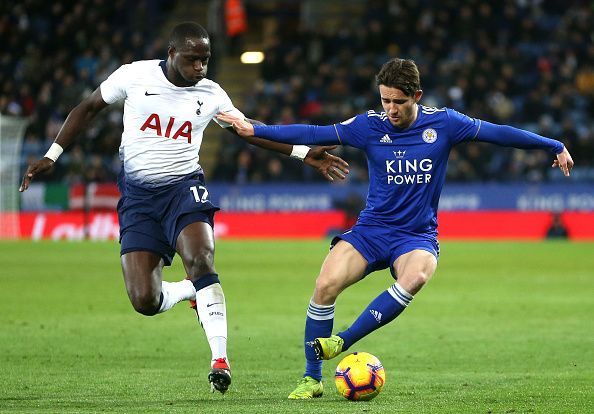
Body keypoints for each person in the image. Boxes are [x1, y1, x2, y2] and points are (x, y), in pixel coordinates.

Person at [19, 22, 349, 394]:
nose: (200, 69)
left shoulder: (211, 94)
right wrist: (52, 155)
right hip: (140, 198)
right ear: (172, 54)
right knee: (145, 300)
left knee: (202, 258)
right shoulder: (134, 75)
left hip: (184, 189)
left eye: (206, 60)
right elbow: (88, 107)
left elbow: (249, 130)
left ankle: (220, 359)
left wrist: (303, 153)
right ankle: (190, 292)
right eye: (193, 60)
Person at [216, 57, 575, 399]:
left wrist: (553, 145)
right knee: (325, 285)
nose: (390, 109)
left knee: (417, 275)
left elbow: (499, 133)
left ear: (416, 96)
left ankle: (344, 340)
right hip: (371, 231)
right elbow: (314, 131)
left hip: (416, 235)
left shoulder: (445, 123)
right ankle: (312, 377)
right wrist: (257, 129)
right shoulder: (369, 126)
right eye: (385, 100)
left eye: (398, 101)